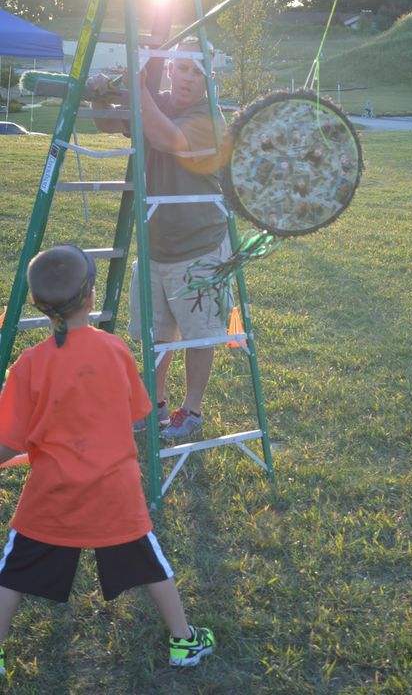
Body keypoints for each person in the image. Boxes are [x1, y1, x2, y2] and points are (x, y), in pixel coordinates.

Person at [0, 245, 215, 676]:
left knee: (13, 571)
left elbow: (8, 443)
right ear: (91, 296)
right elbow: (140, 414)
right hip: (114, 492)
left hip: (52, 494)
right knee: (152, 564)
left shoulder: (28, 365)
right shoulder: (115, 351)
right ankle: (184, 640)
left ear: (38, 305)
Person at [88, 36, 231, 441]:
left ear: (209, 78)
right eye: (181, 67)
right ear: (170, 68)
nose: (187, 77)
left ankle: (193, 410)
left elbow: (169, 139)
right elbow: (107, 124)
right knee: (157, 334)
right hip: (155, 245)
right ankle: (155, 405)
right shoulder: (159, 101)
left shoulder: (210, 117)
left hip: (199, 247)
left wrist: (135, 90)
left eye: (197, 70)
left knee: (199, 335)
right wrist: (103, 95)